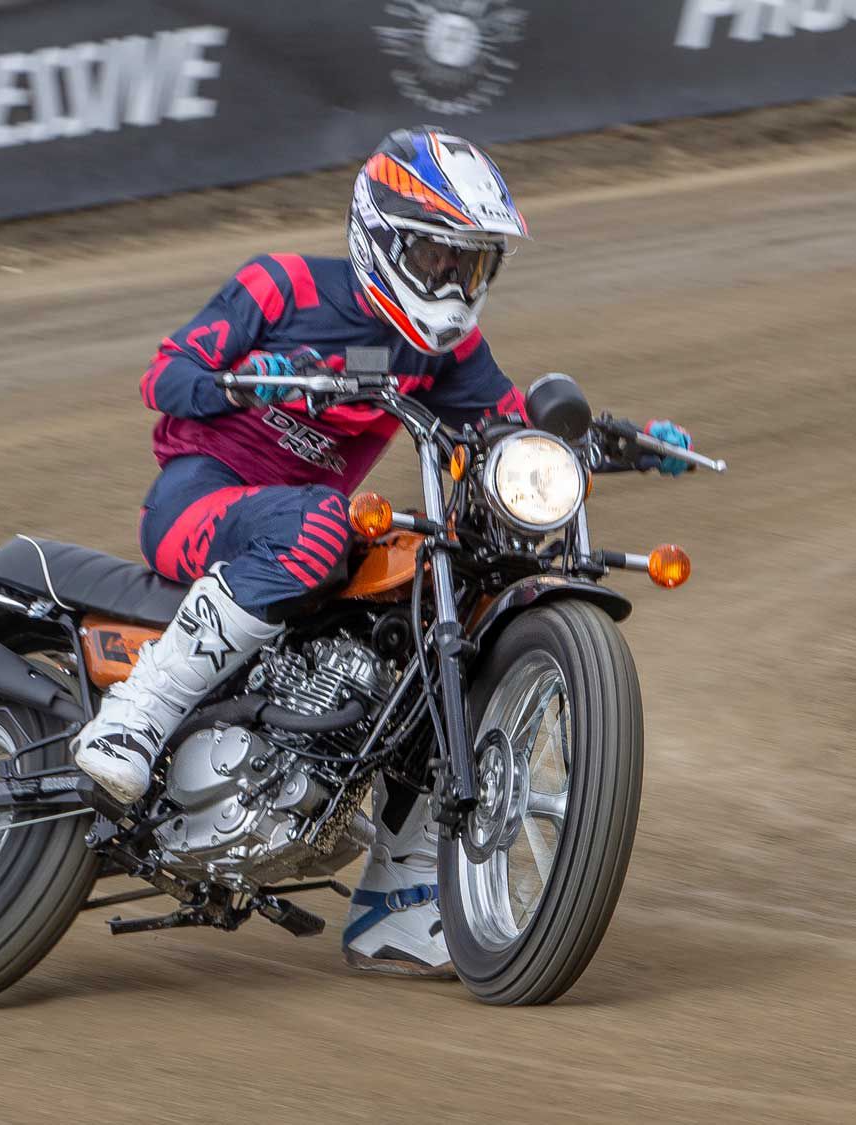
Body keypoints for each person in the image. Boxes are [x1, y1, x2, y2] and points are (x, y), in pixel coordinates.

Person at [71, 126, 693, 978]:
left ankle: (399, 897)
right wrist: (266, 377)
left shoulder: (448, 351)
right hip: (204, 502)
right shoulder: (281, 285)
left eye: (470, 265)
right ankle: (137, 716)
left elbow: (505, 422)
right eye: (438, 258)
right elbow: (166, 375)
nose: (453, 282)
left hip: (306, 525)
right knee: (327, 521)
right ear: (382, 240)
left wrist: (613, 443)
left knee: (434, 604)